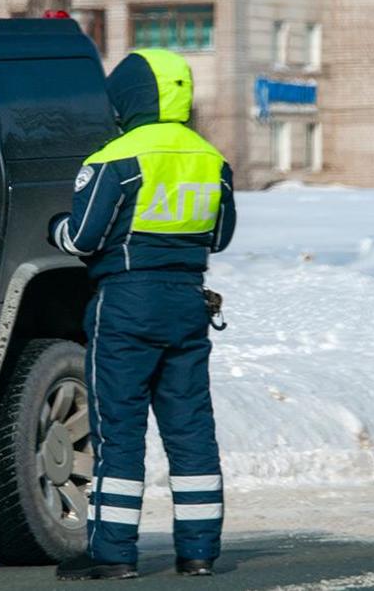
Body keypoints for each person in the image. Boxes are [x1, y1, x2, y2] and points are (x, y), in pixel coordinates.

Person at [47, 48, 237, 581]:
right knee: (192, 429)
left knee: (118, 431)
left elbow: (83, 239)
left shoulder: (115, 157)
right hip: (187, 302)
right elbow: (219, 237)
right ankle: (199, 552)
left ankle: (114, 555)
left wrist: (56, 228)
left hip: (127, 302)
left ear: (127, 99)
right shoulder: (210, 157)